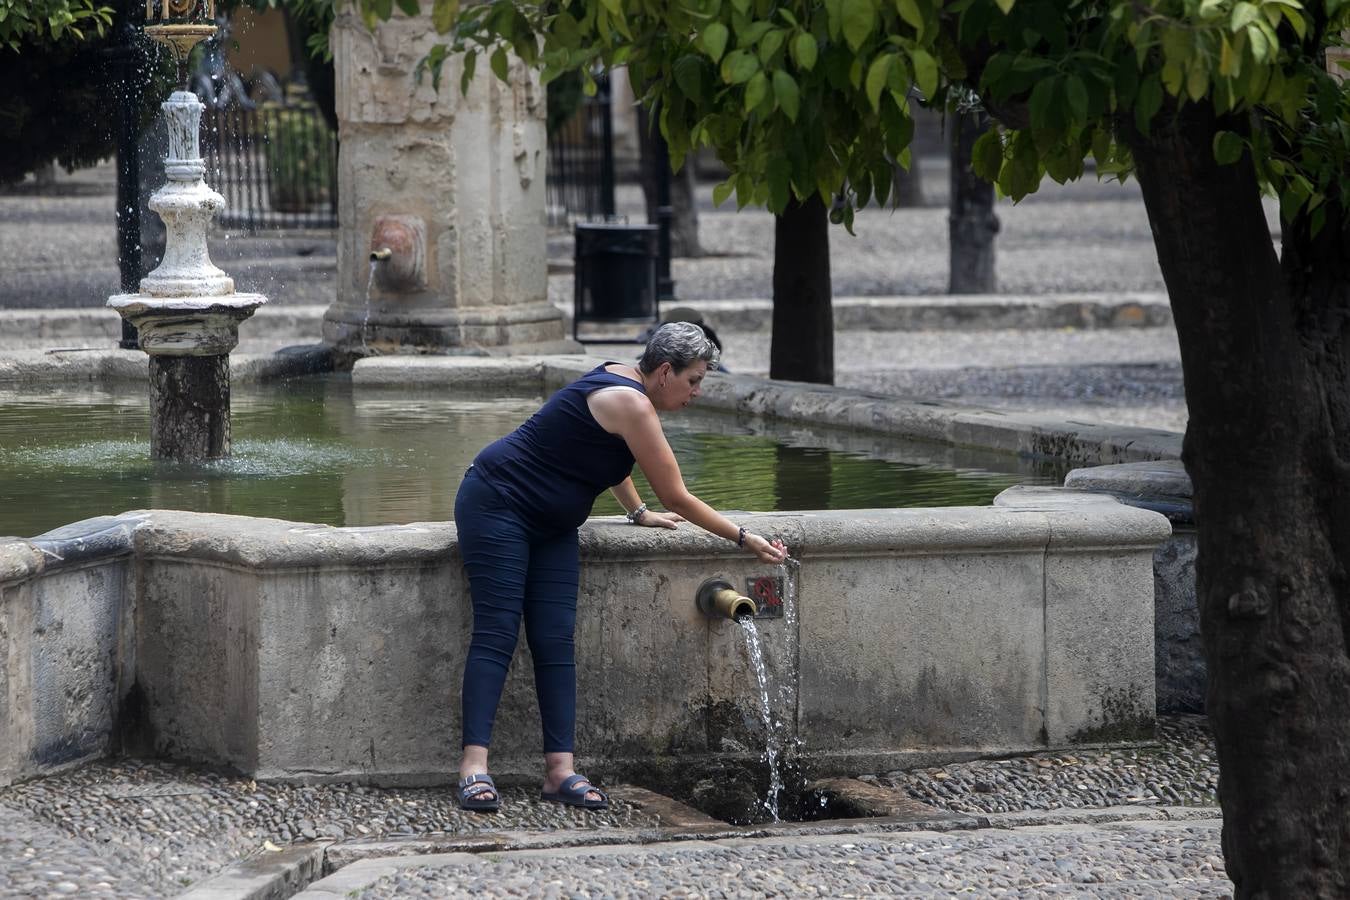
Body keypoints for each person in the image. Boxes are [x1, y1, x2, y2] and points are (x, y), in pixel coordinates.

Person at [452, 322, 787, 812]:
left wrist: (637, 512)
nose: (697, 392)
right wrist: (743, 538)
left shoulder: (627, 383)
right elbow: (677, 495)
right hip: (498, 504)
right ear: (666, 371)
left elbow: (613, 454)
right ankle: (474, 767)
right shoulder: (630, 400)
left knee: (555, 640)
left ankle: (559, 772)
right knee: (498, 632)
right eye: (694, 381)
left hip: (554, 525)